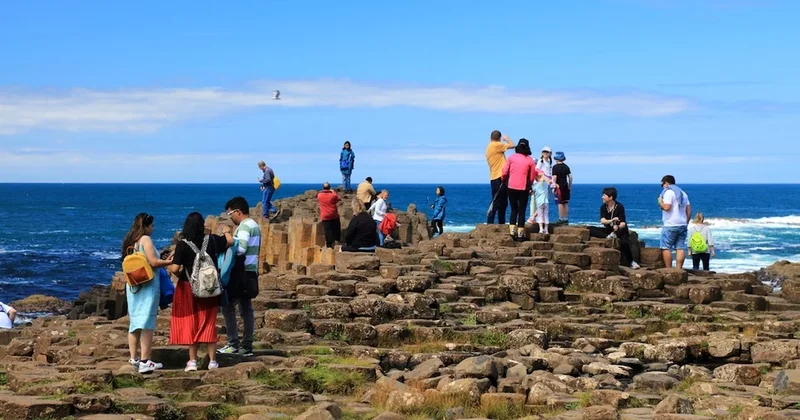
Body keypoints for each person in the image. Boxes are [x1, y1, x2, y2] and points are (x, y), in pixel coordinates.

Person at [168, 212, 234, 372]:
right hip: (210, 287)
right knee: (208, 322)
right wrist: (225, 231)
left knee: (191, 322)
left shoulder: (183, 244)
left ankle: (192, 361)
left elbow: (175, 269)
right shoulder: (211, 240)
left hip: (188, 287)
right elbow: (230, 242)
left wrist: (176, 270)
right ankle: (212, 361)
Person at [121, 213, 172, 373]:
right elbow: (154, 262)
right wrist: (170, 261)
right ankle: (145, 360)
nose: (153, 228)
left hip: (134, 286)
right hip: (148, 287)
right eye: (152, 226)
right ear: (146, 226)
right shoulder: (145, 239)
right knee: (147, 323)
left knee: (135, 323)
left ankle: (134, 359)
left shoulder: (131, 241)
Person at [219, 197, 261, 356]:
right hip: (251, 271)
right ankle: (247, 345)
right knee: (246, 308)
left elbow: (241, 249)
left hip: (241, 272)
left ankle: (233, 343)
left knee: (227, 306)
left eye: (230, 214)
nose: (230, 217)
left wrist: (228, 237)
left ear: (237, 211)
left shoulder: (244, 227)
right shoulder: (254, 225)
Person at [588, 187, 641, 269]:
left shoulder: (619, 206)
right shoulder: (603, 207)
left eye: (604, 195)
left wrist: (618, 226)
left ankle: (632, 262)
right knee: (590, 229)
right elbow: (602, 220)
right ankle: (608, 236)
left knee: (624, 242)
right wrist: (611, 221)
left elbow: (623, 222)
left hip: (620, 230)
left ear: (610, 197)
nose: (602, 197)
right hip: (609, 229)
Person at [501, 138, 537, 241]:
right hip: (523, 187)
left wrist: (504, 180)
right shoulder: (530, 160)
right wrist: (529, 185)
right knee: (522, 210)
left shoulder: (511, 158)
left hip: (511, 186)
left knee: (513, 209)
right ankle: (521, 235)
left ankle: (512, 232)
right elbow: (532, 176)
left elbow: (504, 172)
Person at [658, 175, 692, 269]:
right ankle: (678, 269)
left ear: (667, 183)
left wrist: (660, 202)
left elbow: (667, 207)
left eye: (662, 184)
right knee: (680, 247)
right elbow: (689, 210)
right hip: (682, 223)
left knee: (666, 247)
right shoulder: (683, 193)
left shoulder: (669, 192)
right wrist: (686, 221)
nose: (663, 186)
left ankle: (669, 269)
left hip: (670, 224)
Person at [486, 130, 515, 224]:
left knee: (502, 202)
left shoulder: (490, 146)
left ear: (490, 138)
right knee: (497, 201)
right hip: (499, 177)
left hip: (496, 177)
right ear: (499, 139)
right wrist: (507, 139)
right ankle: (490, 222)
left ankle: (500, 223)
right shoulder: (496, 145)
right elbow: (513, 145)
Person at [318, 182, 342, 248]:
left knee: (327, 230)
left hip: (324, 215)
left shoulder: (319, 195)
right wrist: (333, 192)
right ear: (329, 187)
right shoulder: (333, 195)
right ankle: (336, 239)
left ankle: (329, 244)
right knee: (336, 227)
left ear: (323, 187)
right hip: (333, 214)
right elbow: (339, 198)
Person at [552, 151, 572, 225]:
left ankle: (561, 219)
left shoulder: (555, 167)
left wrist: (554, 187)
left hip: (558, 186)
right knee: (565, 203)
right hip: (565, 186)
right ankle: (566, 219)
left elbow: (554, 177)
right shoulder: (566, 167)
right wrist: (570, 186)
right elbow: (570, 177)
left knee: (560, 203)